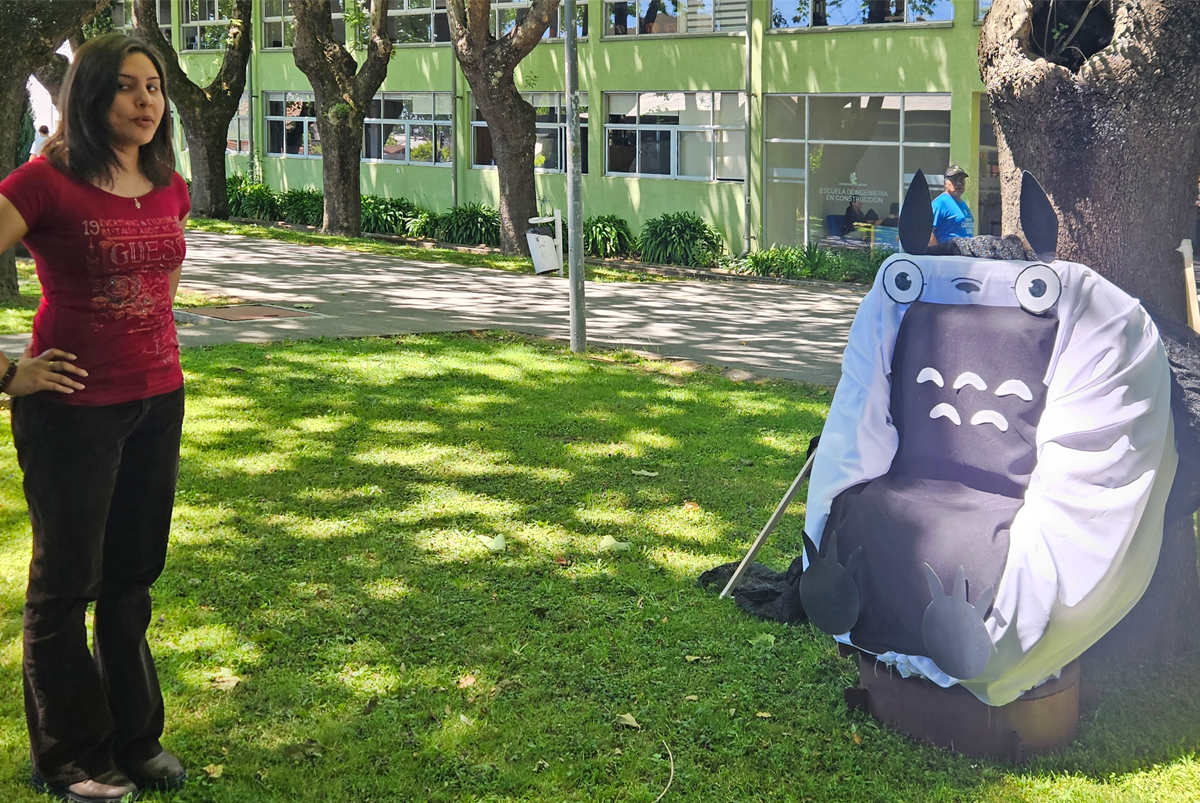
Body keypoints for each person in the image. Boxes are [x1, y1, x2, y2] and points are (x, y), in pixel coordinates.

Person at [0, 32, 190, 803]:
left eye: (155, 86)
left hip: (157, 401)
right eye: (127, 86)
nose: (147, 101)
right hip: (71, 413)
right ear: (91, 93)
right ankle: (71, 756)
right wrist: (10, 375)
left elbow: (161, 281)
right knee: (65, 585)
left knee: (130, 579)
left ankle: (133, 738)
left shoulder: (168, 182)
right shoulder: (45, 181)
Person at [930, 165, 974, 243]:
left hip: (965, 249)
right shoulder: (940, 204)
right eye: (954, 179)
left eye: (962, 180)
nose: (959, 183)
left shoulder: (962, 203)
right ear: (945, 183)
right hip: (948, 249)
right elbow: (927, 231)